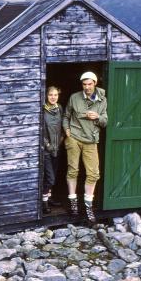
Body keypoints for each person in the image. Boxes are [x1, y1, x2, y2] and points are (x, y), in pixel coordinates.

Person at [62, 71, 107, 223]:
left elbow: (105, 121)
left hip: (91, 140)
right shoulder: (74, 97)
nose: (87, 87)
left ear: (95, 83)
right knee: (73, 170)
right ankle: (73, 203)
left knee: (93, 173)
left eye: (90, 84)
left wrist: (98, 117)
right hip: (74, 137)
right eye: (84, 84)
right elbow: (66, 116)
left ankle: (88, 206)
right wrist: (67, 130)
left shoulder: (102, 100)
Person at [42, 86, 64, 214]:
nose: (53, 97)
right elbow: (42, 131)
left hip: (57, 148)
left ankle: (49, 198)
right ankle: (44, 202)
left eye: (55, 95)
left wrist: (61, 138)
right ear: (46, 95)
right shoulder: (43, 110)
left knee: (53, 176)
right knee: (50, 178)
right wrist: (48, 146)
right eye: (51, 95)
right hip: (47, 149)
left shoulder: (59, 108)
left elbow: (61, 126)